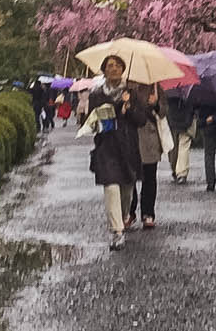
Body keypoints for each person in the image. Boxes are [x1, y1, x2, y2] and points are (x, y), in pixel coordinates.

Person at [75, 56, 150, 248]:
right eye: (110, 66)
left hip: (128, 148)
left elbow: (141, 120)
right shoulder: (97, 95)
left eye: (118, 66)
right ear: (104, 70)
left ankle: (124, 215)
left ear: (123, 69)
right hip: (106, 147)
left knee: (127, 191)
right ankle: (117, 231)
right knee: (111, 188)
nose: (114, 69)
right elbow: (92, 122)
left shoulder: (132, 93)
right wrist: (113, 112)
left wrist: (129, 108)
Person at [133, 83, 166, 228]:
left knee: (150, 177)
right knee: (130, 178)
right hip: (132, 138)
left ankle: (148, 213)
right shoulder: (127, 88)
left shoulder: (156, 88)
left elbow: (164, 113)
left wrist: (156, 104)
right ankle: (129, 211)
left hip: (150, 139)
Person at [163, 91, 195, 186]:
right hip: (187, 119)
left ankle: (175, 169)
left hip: (173, 120)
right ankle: (181, 173)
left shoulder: (169, 88)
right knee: (183, 147)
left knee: (173, 147)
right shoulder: (191, 87)